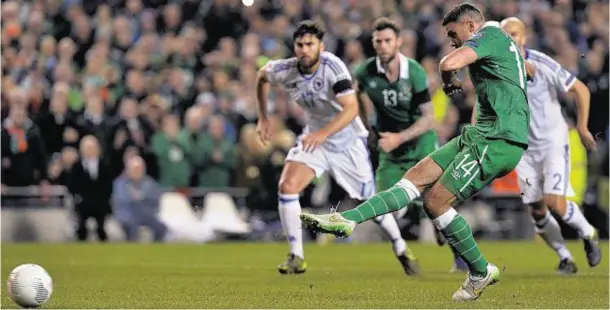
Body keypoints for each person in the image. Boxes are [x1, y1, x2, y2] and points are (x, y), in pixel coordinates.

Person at [300, 3, 532, 301]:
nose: (451, 40)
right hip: (480, 134)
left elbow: (448, 64)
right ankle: (347, 219)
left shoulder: (489, 35)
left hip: (499, 139)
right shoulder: (498, 42)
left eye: (453, 33)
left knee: (435, 202)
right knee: (413, 179)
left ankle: (479, 270)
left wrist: (449, 82)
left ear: (471, 26)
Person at [256, 20, 407, 275]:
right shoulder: (286, 69)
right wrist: (263, 116)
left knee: (369, 201)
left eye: (310, 44)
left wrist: (323, 133)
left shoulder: (333, 67)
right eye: (300, 45)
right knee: (287, 186)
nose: (305, 50)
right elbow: (262, 76)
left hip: (347, 141)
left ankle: (400, 245)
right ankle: (296, 256)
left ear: (320, 46)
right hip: (315, 139)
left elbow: (351, 109)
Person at [500, 17, 601, 274]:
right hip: (523, 150)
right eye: (504, 35)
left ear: (523, 38)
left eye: (514, 34)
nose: (509, 39)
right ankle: (565, 257)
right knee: (536, 210)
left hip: (553, 142)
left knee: (555, 203)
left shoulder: (543, 63)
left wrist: (581, 127)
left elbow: (581, 90)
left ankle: (588, 232)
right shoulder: (497, 70)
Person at [354, 17, 445, 275]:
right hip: (390, 150)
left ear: (399, 43)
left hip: (420, 145)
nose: (382, 45)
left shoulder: (414, 72)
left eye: (387, 41)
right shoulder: (365, 71)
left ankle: (448, 240)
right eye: (378, 41)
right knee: (383, 208)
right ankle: (403, 249)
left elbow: (429, 118)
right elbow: (356, 94)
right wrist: (365, 124)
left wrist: (399, 138)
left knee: (437, 202)